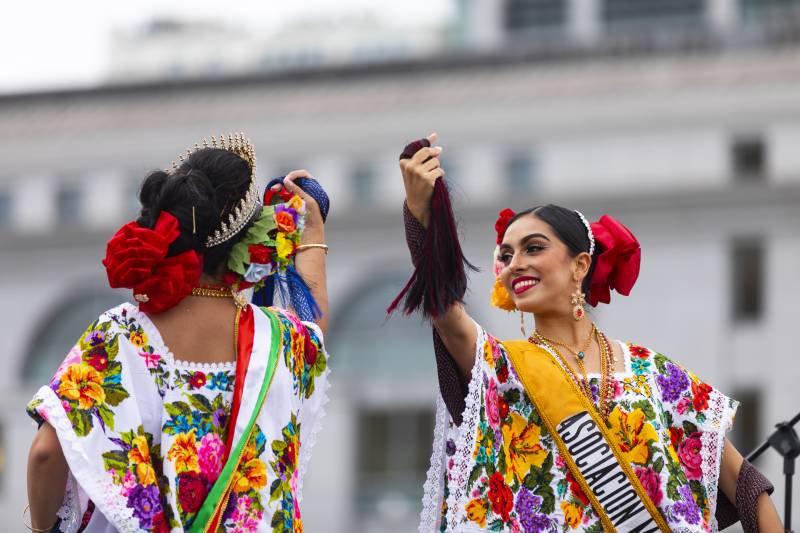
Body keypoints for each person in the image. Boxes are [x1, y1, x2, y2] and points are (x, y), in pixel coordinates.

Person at [394, 134, 783, 532]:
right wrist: (421, 215)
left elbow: (744, 483)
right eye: (506, 255)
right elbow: (443, 311)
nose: (514, 265)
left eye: (533, 248)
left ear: (580, 265)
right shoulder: (501, 367)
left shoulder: (651, 372)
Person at [25, 134, 331, 532]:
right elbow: (315, 326)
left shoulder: (120, 335)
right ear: (249, 241)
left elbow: (46, 454)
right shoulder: (279, 338)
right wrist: (311, 236)